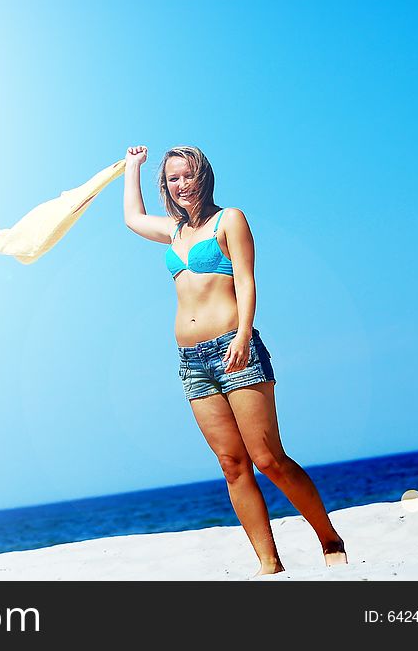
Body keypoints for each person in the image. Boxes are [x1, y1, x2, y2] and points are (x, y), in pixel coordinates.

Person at [122, 144, 347, 577]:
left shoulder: (230, 219)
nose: (181, 185)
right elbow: (132, 218)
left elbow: (245, 279)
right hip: (191, 361)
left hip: (234, 347)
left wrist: (243, 334)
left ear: (203, 176)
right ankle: (269, 562)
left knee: (268, 459)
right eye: (173, 179)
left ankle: (328, 536)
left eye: (188, 175)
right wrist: (133, 167)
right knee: (232, 465)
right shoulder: (173, 230)